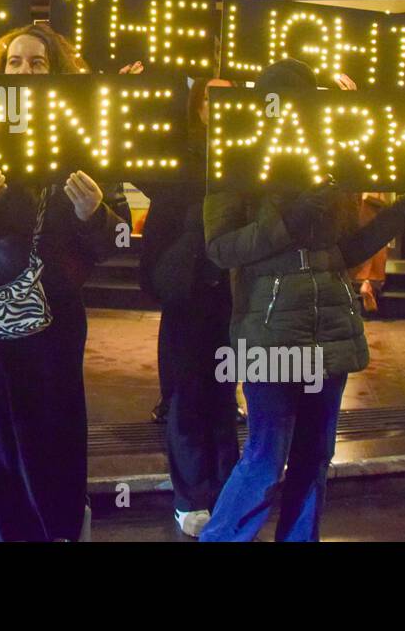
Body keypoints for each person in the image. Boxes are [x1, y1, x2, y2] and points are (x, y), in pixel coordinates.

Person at [197, 58, 405, 542]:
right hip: (269, 330)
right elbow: (221, 247)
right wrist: (287, 222)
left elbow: (344, 252)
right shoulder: (237, 160)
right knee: (267, 455)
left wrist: (401, 214)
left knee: (314, 455)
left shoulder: (331, 163)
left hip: (330, 325)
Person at [0, 23, 131, 542]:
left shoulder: (85, 135)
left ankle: (59, 530)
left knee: (55, 432)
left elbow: (116, 238)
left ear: (57, 72)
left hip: (56, 316)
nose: (24, 71)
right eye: (14, 62)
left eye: (37, 63)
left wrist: (95, 215)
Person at [139, 76, 238, 537]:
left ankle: (223, 491)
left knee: (221, 395)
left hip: (227, 293)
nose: (218, 105)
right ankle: (191, 495)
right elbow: (131, 151)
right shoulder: (175, 153)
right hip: (186, 291)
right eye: (210, 97)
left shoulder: (245, 154)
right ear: (195, 106)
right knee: (185, 395)